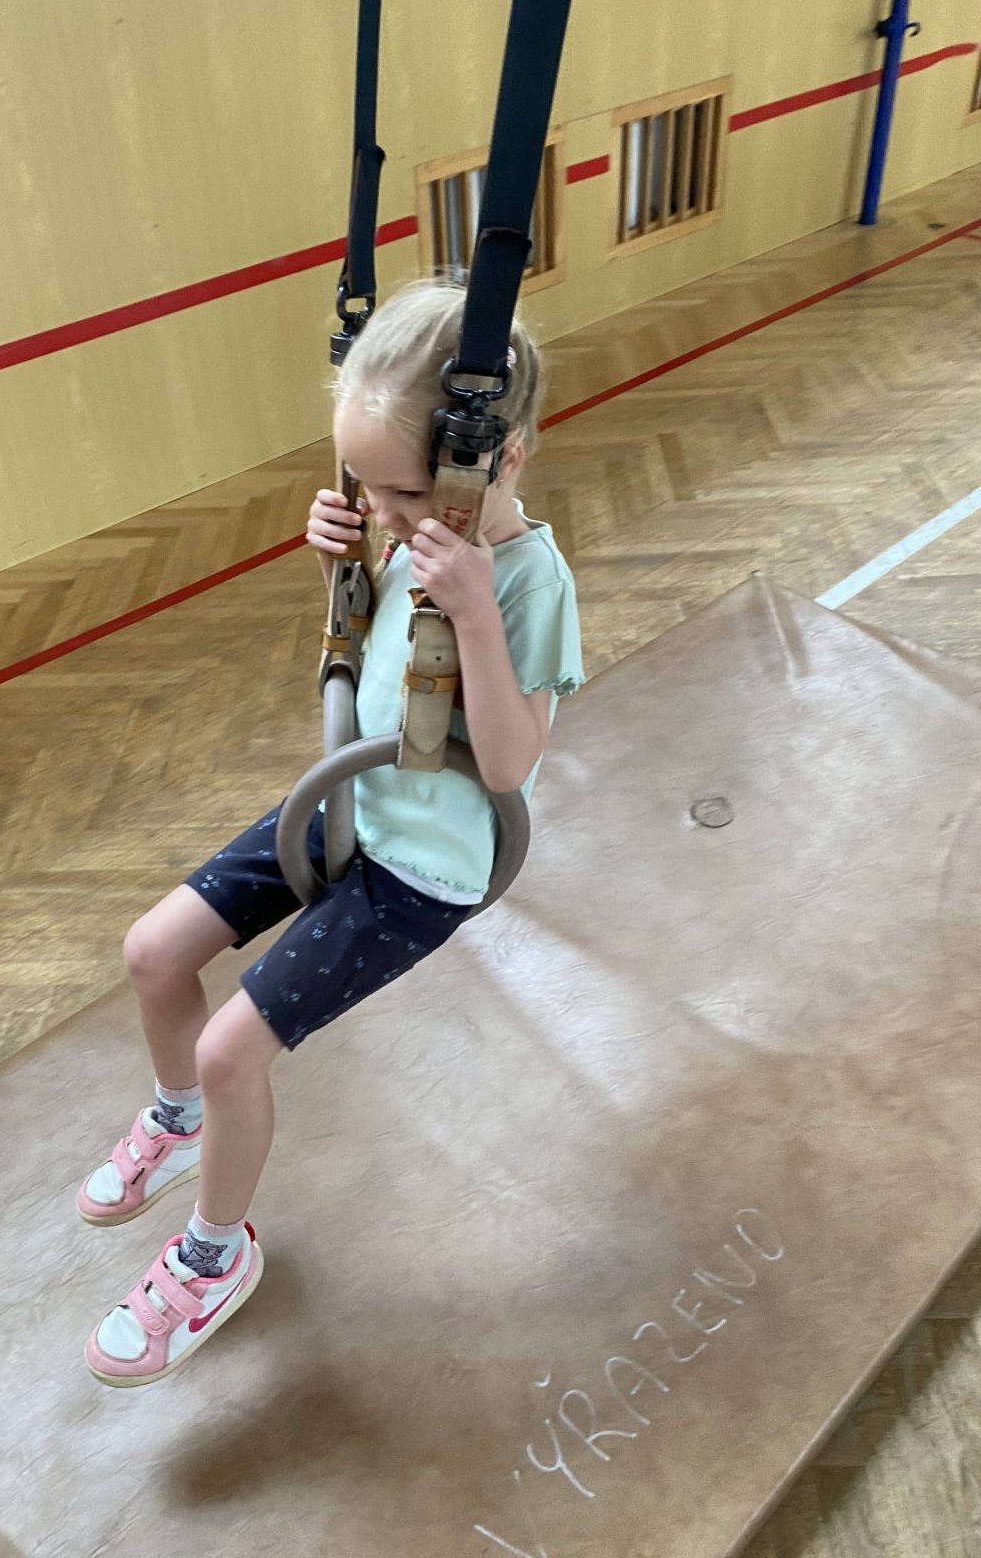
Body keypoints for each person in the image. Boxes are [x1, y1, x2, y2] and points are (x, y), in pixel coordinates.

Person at [79, 280, 585, 1387]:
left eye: (404, 491)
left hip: (423, 868)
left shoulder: (527, 582)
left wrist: (477, 613)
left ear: (500, 458)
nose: (389, 513)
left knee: (232, 1051)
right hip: (348, 806)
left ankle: (215, 1256)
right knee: (153, 952)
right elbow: (368, 657)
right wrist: (344, 572)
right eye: (369, 487)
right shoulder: (417, 536)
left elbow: (506, 766)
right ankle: (177, 1122)